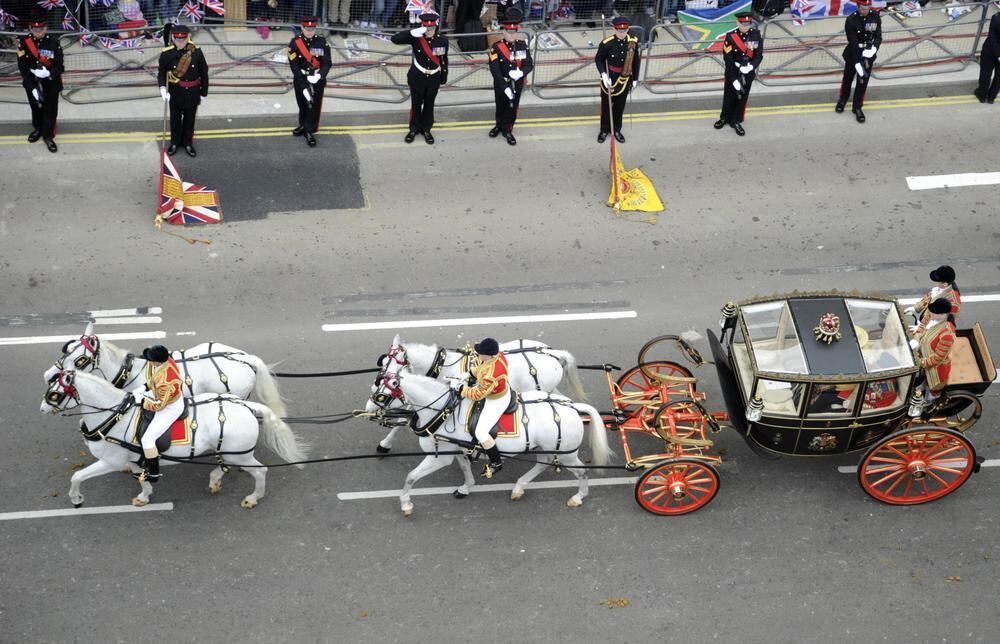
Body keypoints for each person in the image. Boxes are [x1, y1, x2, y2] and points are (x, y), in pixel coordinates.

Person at [453, 337, 511, 478]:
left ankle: (496, 462)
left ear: (489, 354)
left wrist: (461, 388)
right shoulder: (497, 356)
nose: (478, 354)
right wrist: (469, 373)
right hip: (499, 390)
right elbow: (481, 365)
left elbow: (478, 394)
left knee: (481, 432)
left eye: (480, 352)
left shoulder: (491, 375)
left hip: (496, 400)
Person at [391, 12, 448, 144]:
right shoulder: (416, 37)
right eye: (427, 29)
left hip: (433, 77)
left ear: (436, 27)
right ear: (422, 28)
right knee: (416, 104)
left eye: (432, 29)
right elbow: (395, 39)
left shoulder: (442, 40)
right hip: (417, 77)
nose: (429, 32)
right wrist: (412, 32)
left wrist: (443, 76)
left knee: (429, 105)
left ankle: (426, 129)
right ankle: (414, 129)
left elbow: (443, 59)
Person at [130, 345, 183, 483]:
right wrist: (143, 387)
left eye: (151, 359)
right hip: (159, 394)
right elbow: (154, 379)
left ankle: (153, 473)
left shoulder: (167, 381)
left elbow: (159, 405)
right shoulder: (166, 361)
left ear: (158, 361)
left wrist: (142, 400)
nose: (149, 361)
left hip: (169, 408)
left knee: (148, 439)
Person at [157, 24, 209, 157]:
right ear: (173, 38)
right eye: (177, 39)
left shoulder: (196, 52)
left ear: (187, 38)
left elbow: (204, 73)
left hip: (193, 92)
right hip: (175, 91)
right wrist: (163, 89)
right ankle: (174, 142)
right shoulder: (167, 53)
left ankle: (187, 143)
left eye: (183, 40)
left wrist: (204, 93)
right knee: (175, 120)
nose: (180, 42)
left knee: (189, 120)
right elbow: (161, 73)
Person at [17, 15, 64, 153]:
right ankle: (38, 129)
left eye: (41, 29)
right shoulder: (24, 43)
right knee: (35, 108)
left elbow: (60, 66)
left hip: (50, 83)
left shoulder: (54, 44)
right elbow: (22, 67)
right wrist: (31, 87)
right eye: (35, 29)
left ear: (45, 29)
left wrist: (49, 74)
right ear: (30, 29)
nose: (38, 32)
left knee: (50, 109)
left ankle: (48, 136)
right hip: (32, 83)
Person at [487, 8, 533, 145]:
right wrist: (504, 86)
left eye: (514, 32)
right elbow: (494, 69)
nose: (512, 36)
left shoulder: (522, 46)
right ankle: (498, 125)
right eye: (509, 32)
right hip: (502, 83)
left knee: (512, 107)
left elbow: (529, 64)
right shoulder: (496, 47)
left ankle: (508, 129)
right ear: (504, 31)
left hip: (516, 83)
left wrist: (521, 73)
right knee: (500, 105)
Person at [714, 12, 763, 137]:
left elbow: (758, 55)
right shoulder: (731, 37)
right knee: (729, 95)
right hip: (733, 70)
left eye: (748, 24)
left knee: (742, 97)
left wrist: (751, 67)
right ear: (738, 23)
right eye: (743, 24)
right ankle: (724, 117)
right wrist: (733, 79)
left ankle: (736, 120)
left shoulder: (756, 35)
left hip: (747, 72)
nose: (745, 26)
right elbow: (728, 58)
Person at [595, 16, 640, 144]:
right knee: (606, 106)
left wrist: (635, 79)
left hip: (625, 78)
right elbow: (598, 59)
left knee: (619, 107)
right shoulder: (606, 43)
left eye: (624, 30)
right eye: (619, 31)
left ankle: (616, 130)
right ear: (614, 29)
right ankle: (604, 130)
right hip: (609, 77)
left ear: (628, 29)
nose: (622, 33)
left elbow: (636, 61)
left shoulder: (633, 42)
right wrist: (603, 74)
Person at [288, 16, 331, 147]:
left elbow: (327, 63)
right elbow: (294, 66)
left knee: (313, 106)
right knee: (302, 104)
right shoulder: (295, 43)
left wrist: (319, 76)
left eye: (312, 29)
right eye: (307, 29)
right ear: (302, 27)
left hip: (315, 79)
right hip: (301, 79)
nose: (309, 32)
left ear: (315, 28)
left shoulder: (322, 42)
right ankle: (303, 124)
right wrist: (303, 87)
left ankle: (309, 130)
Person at [836, 0, 881, 124]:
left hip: (868, 54)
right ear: (857, 6)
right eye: (862, 8)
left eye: (867, 8)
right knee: (848, 78)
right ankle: (843, 100)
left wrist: (874, 48)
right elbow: (853, 44)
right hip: (853, 54)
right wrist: (857, 63)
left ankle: (857, 107)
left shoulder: (875, 16)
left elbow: (878, 36)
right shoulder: (851, 20)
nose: (865, 11)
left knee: (863, 81)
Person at [912, 299, 956, 400]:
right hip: (924, 356)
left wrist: (920, 362)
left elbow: (938, 358)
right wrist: (916, 338)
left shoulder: (947, 335)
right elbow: (922, 325)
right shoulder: (933, 316)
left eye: (934, 312)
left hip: (936, 368)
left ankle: (930, 403)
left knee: (932, 392)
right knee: (925, 378)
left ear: (943, 315)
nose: (930, 313)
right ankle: (923, 385)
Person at [907, 265, 962, 333]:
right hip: (925, 319)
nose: (935, 282)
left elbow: (941, 321)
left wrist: (921, 328)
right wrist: (916, 308)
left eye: (937, 281)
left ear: (945, 284)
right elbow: (928, 298)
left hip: (930, 330)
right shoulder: (941, 287)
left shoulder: (953, 303)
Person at [974, 9, 1000, 104]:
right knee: (998, 77)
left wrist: (998, 54)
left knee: (985, 73)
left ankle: (982, 95)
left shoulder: (996, 17)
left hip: (990, 50)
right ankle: (991, 97)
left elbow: (992, 36)